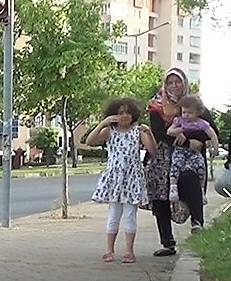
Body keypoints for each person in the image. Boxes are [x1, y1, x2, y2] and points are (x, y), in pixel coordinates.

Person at [144, 67, 219, 255]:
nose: (174, 85)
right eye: (170, 82)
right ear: (165, 85)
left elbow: (212, 131)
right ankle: (167, 243)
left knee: (190, 180)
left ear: (184, 82)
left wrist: (198, 140)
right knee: (161, 197)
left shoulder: (195, 105)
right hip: (163, 157)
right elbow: (159, 133)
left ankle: (198, 226)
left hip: (190, 157)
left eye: (177, 81)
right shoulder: (156, 106)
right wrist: (184, 136)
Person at [86, 97, 157, 263]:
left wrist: (149, 133)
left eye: (128, 112)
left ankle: (129, 251)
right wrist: (102, 124)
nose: (124, 116)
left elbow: (153, 150)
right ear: (113, 115)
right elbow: (90, 141)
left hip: (132, 178)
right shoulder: (110, 131)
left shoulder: (137, 132)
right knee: (113, 214)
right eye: (120, 113)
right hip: (115, 178)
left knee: (130, 214)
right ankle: (109, 250)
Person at [166, 95, 220, 204]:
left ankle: (201, 191)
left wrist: (216, 147)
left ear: (197, 113)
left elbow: (213, 134)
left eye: (190, 113)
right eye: (184, 112)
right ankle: (173, 187)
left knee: (200, 166)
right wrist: (178, 131)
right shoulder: (179, 121)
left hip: (195, 152)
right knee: (176, 164)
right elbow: (169, 131)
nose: (186, 115)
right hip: (180, 149)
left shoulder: (201, 123)